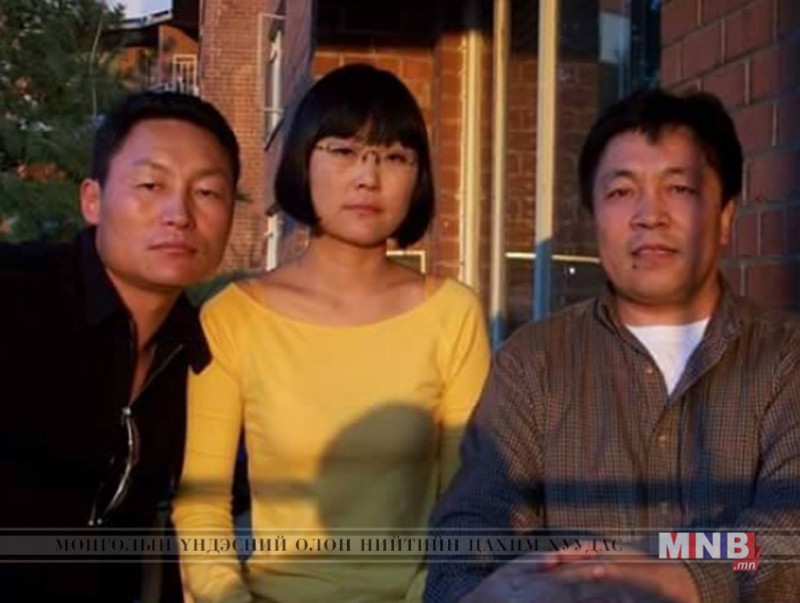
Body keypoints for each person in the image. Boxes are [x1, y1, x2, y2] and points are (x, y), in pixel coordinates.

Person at [424, 89, 800, 603]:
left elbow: (788, 533)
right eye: (622, 192)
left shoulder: (785, 357)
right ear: (594, 217)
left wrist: (673, 573)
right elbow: (473, 526)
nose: (650, 215)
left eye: (680, 188)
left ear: (725, 217)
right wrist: (487, 590)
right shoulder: (535, 360)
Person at [172, 63, 491, 603]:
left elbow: (468, 503)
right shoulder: (233, 317)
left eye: (395, 157)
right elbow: (202, 503)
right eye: (344, 151)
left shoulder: (452, 314)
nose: (368, 177)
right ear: (303, 158)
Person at [0, 91, 240, 602]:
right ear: (92, 200)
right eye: (151, 185)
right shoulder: (18, 296)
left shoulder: (204, 351)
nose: (179, 214)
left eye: (207, 192)